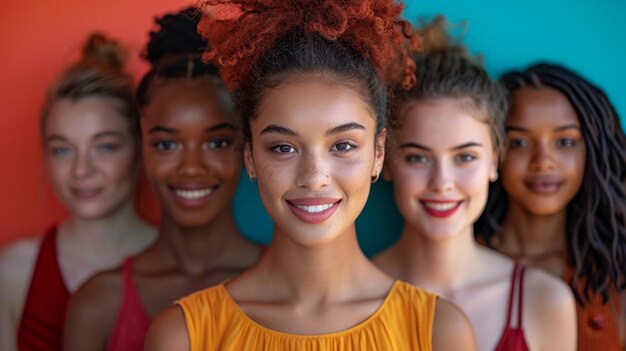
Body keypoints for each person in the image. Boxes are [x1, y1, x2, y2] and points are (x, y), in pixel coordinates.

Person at [145, 1, 476, 350]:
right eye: (283, 147)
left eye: (343, 146)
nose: (314, 177)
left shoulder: (439, 332)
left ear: (378, 153)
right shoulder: (184, 335)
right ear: (250, 156)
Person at [62, 8, 263, 351]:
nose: (190, 168)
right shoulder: (97, 305)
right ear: (141, 144)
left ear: (246, 145)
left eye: (217, 142)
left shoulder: (291, 287)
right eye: (166, 144)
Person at [373, 17, 576, 351]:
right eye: (417, 157)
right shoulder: (347, 300)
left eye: (465, 157)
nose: (442, 183)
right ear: (387, 161)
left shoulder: (544, 301)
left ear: (495, 160)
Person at [0, 33, 156, 351]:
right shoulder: (14, 270)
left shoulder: (184, 267)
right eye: (62, 150)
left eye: (105, 147)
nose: (81, 170)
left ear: (140, 149)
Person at [475, 62, 626, 350]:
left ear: (592, 152)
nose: (543, 160)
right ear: (494, 151)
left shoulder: (614, 274)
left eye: (565, 141)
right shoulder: (458, 263)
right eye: (519, 142)